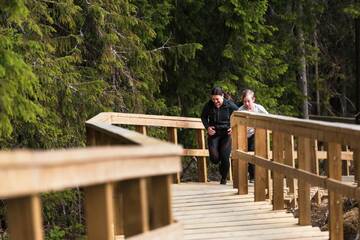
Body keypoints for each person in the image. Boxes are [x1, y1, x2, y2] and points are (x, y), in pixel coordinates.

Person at [201, 87, 239, 184]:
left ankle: (223, 178)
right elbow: (203, 117)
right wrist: (207, 127)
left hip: (226, 134)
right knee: (214, 158)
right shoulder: (209, 105)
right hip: (214, 133)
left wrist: (234, 127)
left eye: (217, 99)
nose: (215, 101)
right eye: (213, 99)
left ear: (222, 96)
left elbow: (239, 115)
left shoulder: (229, 104)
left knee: (225, 157)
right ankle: (218, 162)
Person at [238, 89, 268, 182]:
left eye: (248, 101)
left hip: (255, 133)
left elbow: (269, 118)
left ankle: (255, 176)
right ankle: (251, 175)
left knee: (253, 150)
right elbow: (235, 121)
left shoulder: (259, 109)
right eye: (244, 101)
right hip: (243, 135)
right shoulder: (241, 110)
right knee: (245, 153)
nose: (246, 103)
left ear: (253, 99)